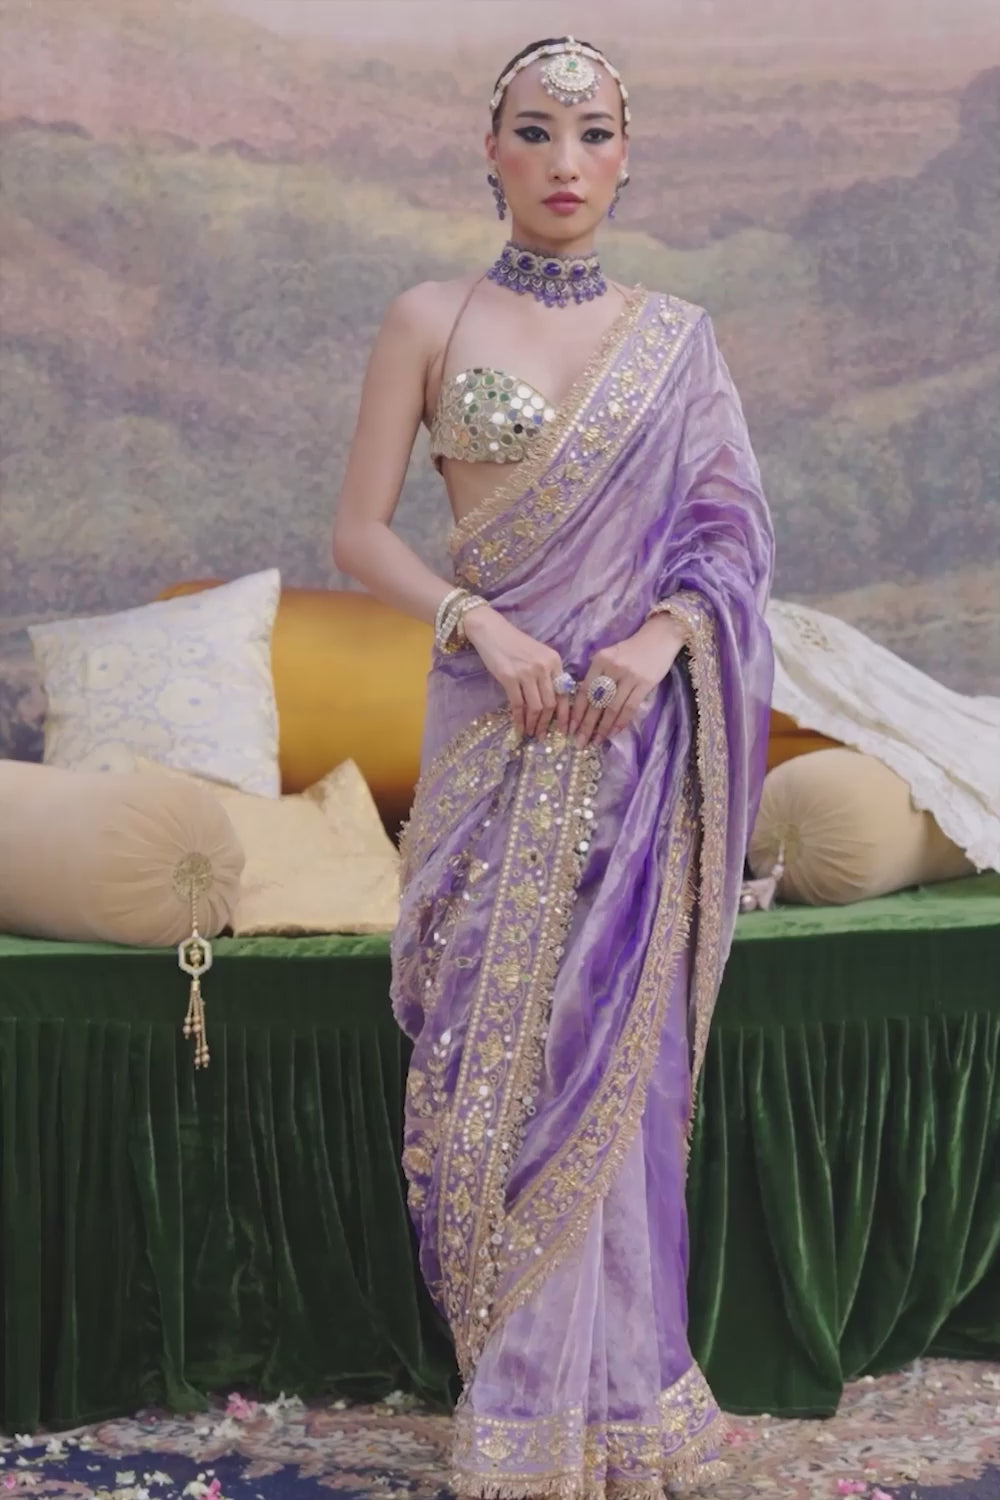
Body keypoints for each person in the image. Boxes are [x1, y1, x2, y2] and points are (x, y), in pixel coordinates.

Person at [333, 35, 774, 1498]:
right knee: (488, 1064)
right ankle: (518, 1410)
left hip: (635, 750)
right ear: (491, 152)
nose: (565, 161)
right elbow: (361, 534)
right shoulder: (429, 318)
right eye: (535, 131)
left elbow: (731, 534)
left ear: (627, 158)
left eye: (592, 133)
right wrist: (482, 624)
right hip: (492, 736)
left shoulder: (679, 340)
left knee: (615, 1069)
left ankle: (624, 1399)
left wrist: (657, 641)